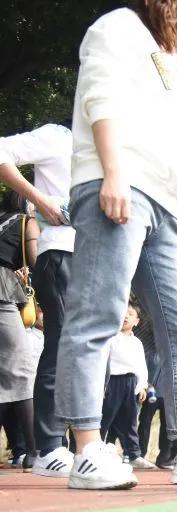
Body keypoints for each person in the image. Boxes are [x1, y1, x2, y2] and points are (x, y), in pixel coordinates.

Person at [53, 0, 177, 489]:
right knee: (98, 313)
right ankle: (87, 449)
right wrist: (112, 173)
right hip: (118, 183)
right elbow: (100, 100)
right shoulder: (119, 28)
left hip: (168, 207)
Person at [0, 122, 73, 474]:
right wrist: (42, 201)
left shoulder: (118, 147)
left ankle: (85, 442)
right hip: (61, 251)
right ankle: (48, 446)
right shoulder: (58, 137)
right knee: (61, 346)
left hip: (99, 258)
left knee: (90, 351)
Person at [0, 194, 40, 469]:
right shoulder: (27, 221)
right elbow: (36, 260)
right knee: (23, 370)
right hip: (2, 294)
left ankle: (26, 449)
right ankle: (35, 452)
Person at [100, 304, 153, 469]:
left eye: (130, 314)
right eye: (123, 313)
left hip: (131, 383)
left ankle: (133, 454)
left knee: (130, 420)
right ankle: (97, 449)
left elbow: (141, 366)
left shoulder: (137, 342)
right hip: (112, 381)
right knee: (105, 418)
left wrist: (142, 386)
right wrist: (102, 386)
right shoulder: (110, 338)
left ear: (137, 321)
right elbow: (103, 363)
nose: (126, 316)